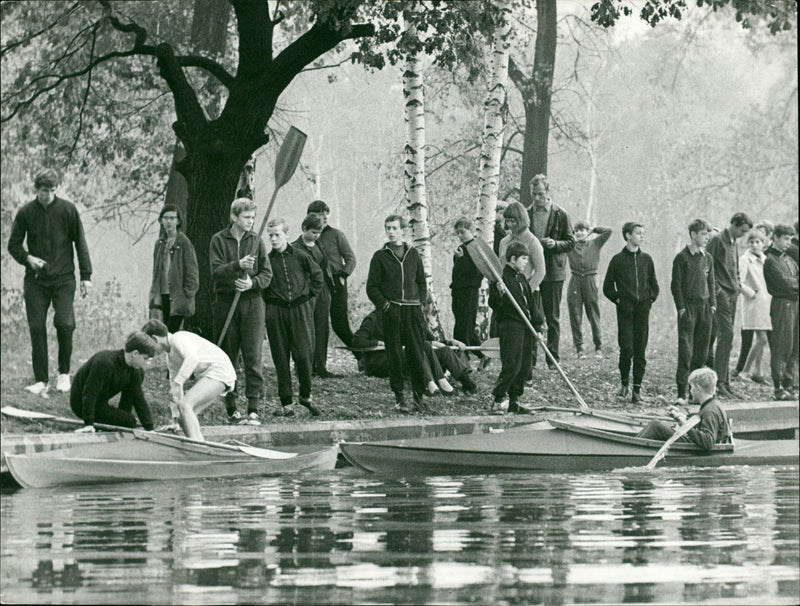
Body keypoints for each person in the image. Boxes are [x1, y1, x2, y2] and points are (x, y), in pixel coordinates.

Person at [7, 168, 93, 396]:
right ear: (37, 189)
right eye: (44, 191)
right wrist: (28, 259)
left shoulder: (68, 210)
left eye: (52, 190)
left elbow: (80, 243)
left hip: (64, 278)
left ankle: (64, 374)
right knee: (36, 327)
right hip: (36, 280)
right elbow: (13, 245)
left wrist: (86, 277)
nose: (48, 195)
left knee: (65, 323)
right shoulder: (26, 212)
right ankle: (41, 380)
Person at [210, 198, 272, 425]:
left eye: (253, 218)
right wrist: (238, 265)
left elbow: (267, 274)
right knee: (227, 356)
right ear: (234, 217)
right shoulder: (218, 240)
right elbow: (216, 271)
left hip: (252, 304)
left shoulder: (256, 240)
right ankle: (232, 408)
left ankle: (253, 408)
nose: (251, 222)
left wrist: (252, 284)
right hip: (226, 303)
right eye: (246, 217)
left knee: (253, 356)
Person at [366, 214, 429, 413]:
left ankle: (419, 396)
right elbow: (372, 287)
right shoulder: (380, 256)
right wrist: (385, 306)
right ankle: (400, 397)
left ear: (403, 230)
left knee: (417, 354)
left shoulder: (413, 254)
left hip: (412, 311)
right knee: (394, 355)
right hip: (392, 311)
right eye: (388, 228)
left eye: (394, 228)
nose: (391, 232)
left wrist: (419, 303)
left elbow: (421, 282)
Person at [263, 217, 324, 417]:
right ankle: (287, 403)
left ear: (286, 235)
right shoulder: (267, 260)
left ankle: (306, 397)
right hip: (276, 312)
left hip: (300, 310)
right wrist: (270, 305)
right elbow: (262, 283)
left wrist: (309, 297)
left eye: (277, 235)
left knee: (304, 355)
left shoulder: (300, 255)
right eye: (270, 235)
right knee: (280, 357)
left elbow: (317, 276)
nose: (273, 239)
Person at [142, 319, 237, 441]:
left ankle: (197, 446)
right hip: (211, 374)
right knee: (183, 418)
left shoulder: (178, 338)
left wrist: (178, 381)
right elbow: (175, 388)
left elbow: (192, 359)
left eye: (149, 346)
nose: (151, 352)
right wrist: (175, 419)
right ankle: (200, 444)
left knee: (185, 405)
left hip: (220, 370)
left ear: (154, 339)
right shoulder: (170, 357)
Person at [352, 308, 478, 395]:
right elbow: (357, 341)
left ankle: (465, 382)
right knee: (418, 350)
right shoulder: (374, 318)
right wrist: (379, 343)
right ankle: (430, 384)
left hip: (402, 356)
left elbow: (427, 339)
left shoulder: (404, 317)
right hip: (381, 360)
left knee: (442, 350)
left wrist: (449, 342)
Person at [603, 222, 659, 404]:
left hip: (643, 311)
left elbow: (654, 285)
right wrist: (620, 300)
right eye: (638, 233)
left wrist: (649, 299)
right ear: (628, 236)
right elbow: (607, 287)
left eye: (643, 233)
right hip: (625, 312)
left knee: (640, 350)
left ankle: (637, 391)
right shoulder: (617, 260)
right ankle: (624, 384)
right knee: (627, 349)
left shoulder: (647, 259)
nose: (641, 236)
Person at [526, 174, 575, 367]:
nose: (537, 198)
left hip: (554, 272)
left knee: (552, 316)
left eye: (540, 194)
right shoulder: (527, 213)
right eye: (533, 194)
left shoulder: (561, 214)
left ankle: (552, 358)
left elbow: (571, 242)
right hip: (531, 270)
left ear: (548, 192)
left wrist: (555, 244)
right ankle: (530, 358)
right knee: (530, 315)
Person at [705, 212, 753, 399]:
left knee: (727, 337)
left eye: (746, 232)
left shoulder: (734, 243)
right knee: (726, 335)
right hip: (721, 295)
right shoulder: (717, 240)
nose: (744, 234)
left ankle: (725, 383)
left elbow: (735, 270)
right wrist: (717, 292)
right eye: (742, 230)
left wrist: (737, 285)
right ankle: (720, 383)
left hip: (733, 294)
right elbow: (706, 266)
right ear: (733, 224)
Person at [70, 332, 157, 433]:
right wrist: (88, 423)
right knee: (129, 421)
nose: (146, 363)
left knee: (128, 420)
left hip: (100, 401)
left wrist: (149, 428)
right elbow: (90, 393)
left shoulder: (135, 370)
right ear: (135, 354)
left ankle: (123, 420)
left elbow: (138, 398)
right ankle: (117, 423)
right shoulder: (105, 363)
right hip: (81, 402)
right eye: (145, 359)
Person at [671, 219, 716, 404]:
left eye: (708, 234)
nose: (706, 238)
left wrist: (712, 304)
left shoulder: (708, 258)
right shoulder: (682, 257)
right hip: (688, 309)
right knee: (686, 353)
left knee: (701, 354)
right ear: (693, 234)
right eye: (704, 234)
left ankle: (695, 394)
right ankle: (681, 394)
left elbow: (711, 282)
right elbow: (676, 286)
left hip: (705, 309)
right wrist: (681, 308)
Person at [489, 242, 536, 414]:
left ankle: (514, 401)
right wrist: (500, 293)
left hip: (525, 325)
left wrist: (537, 324)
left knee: (524, 366)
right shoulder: (501, 278)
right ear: (513, 258)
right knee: (512, 365)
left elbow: (530, 302)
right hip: (511, 326)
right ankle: (497, 399)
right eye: (523, 259)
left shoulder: (521, 277)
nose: (526, 262)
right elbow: (493, 303)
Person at [496, 202, 547, 365]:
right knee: (510, 333)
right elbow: (500, 266)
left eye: (513, 221)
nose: (510, 225)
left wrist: (526, 291)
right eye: (507, 221)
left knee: (528, 334)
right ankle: (510, 368)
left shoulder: (532, 241)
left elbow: (540, 271)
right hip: (508, 295)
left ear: (521, 219)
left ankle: (527, 372)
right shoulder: (504, 241)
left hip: (527, 295)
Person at [637, 368, 731, 452]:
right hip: (695, 443)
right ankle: (636, 444)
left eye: (691, 387)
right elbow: (701, 422)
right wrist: (680, 416)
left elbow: (708, 442)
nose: (690, 391)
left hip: (697, 449)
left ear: (698, 388)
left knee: (655, 425)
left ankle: (634, 448)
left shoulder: (710, 411)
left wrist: (685, 425)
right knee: (656, 424)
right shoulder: (713, 404)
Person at [307, 200, 357, 348]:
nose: (323, 218)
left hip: (337, 283)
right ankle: (316, 365)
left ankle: (362, 356)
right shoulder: (308, 237)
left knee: (340, 325)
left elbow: (351, 258)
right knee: (317, 325)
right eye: (317, 215)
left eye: (325, 215)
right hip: (316, 286)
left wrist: (343, 275)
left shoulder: (336, 235)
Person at [293, 214, 337, 378]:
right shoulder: (295, 248)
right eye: (313, 232)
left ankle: (321, 367)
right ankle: (303, 367)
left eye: (318, 232)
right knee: (304, 330)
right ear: (304, 229)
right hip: (304, 293)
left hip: (322, 292)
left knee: (321, 328)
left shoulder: (319, 245)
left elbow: (325, 267)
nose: (316, 235)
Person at [148, 205, 199, 332]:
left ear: (178, 221)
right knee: (163, 331)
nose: (169, 221)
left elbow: (192, 273)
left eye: (172, 218)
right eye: (165, 218)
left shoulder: (184, 243)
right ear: (161, 221)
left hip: (178, 297)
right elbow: (156, 271)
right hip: (163, 294)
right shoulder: (160, 243)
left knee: (172, 333)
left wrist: (186, 294)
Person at [566, 221, 612, 358]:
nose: (580, 233)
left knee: (593, 313)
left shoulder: (595, 243)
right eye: (577, 230)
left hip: (590, 280)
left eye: (583, 230)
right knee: (575, 314)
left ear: (587, 231)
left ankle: (598, 347)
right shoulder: (571, 245)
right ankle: (579, 348)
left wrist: (593, 229)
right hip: (575, 281)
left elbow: (608, 231)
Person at [763, 224, 799, 400]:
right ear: (775, 237)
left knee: (794, 345)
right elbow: (784, 284)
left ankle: (789, 384)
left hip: (794, 304)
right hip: (782, 305)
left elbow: (794, 280)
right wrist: (793, 284)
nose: (788, 243)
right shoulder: (771, 260)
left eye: (790, 239)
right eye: (785, 238)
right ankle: (778, 387)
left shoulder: (789, 260)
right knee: (781, 345)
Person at [734, 221, 773, 378]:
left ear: (763, 243)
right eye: (752, 242)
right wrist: (752, 293)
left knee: (761, 338)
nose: (755, 245)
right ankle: (745, 371)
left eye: (758, 242)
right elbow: (738, 282)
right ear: (748, 243)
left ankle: (758, 371)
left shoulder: (765, 259)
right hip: (754, 304)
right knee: (762, 339)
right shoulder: (744, 259)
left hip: (766, 303)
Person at [450, 218, 485, 358]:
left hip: (469, 291)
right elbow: (458, 271)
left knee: (463, 327)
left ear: (472, 231)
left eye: (463, 232)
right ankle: (482, 354)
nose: (460, 235)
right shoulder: (462, 248)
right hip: (458, 291)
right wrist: (458, 258)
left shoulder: (476, 247)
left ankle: (462, 359)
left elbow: (478, 271)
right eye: (458, 233)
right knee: (464, 325)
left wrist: (461, 259)